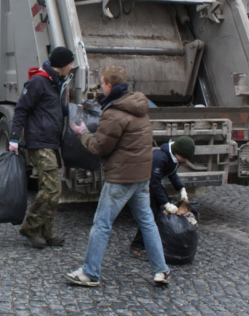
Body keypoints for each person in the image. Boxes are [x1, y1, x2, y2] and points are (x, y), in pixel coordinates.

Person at [66, 65, 171, 287]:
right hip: (141, 175)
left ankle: (90, 273)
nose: (100, 87)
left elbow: (100, 147)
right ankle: (161, 270)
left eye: (102, 83)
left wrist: (82, 132)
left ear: (110, 86)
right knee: (147, 222)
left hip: (121, 178)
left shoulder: (114, 113)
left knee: (102, 224)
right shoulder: (139, 106)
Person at [10, 46, 74, 249]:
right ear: (62, 65)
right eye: (70, 63)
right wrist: (13, 138)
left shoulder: (56, 82)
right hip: (39, 142)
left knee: (48, 187)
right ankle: (30, 227)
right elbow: (21, 109)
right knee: (52, 188)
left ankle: (47, 231)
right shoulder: (39, 81)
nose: (72, 67)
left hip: (51, 141)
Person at [130, 136, 195, 259]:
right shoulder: (159, 158)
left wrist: (181, 188)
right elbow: (154, 184)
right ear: (177, 153)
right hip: (142, 185)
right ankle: (136, 246)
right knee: (149, 215)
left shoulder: (173, 158)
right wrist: (166, 203)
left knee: (155, 214)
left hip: (151, 185)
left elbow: (172, 173)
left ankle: (151, 242)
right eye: (184, 158)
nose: (186, 161)